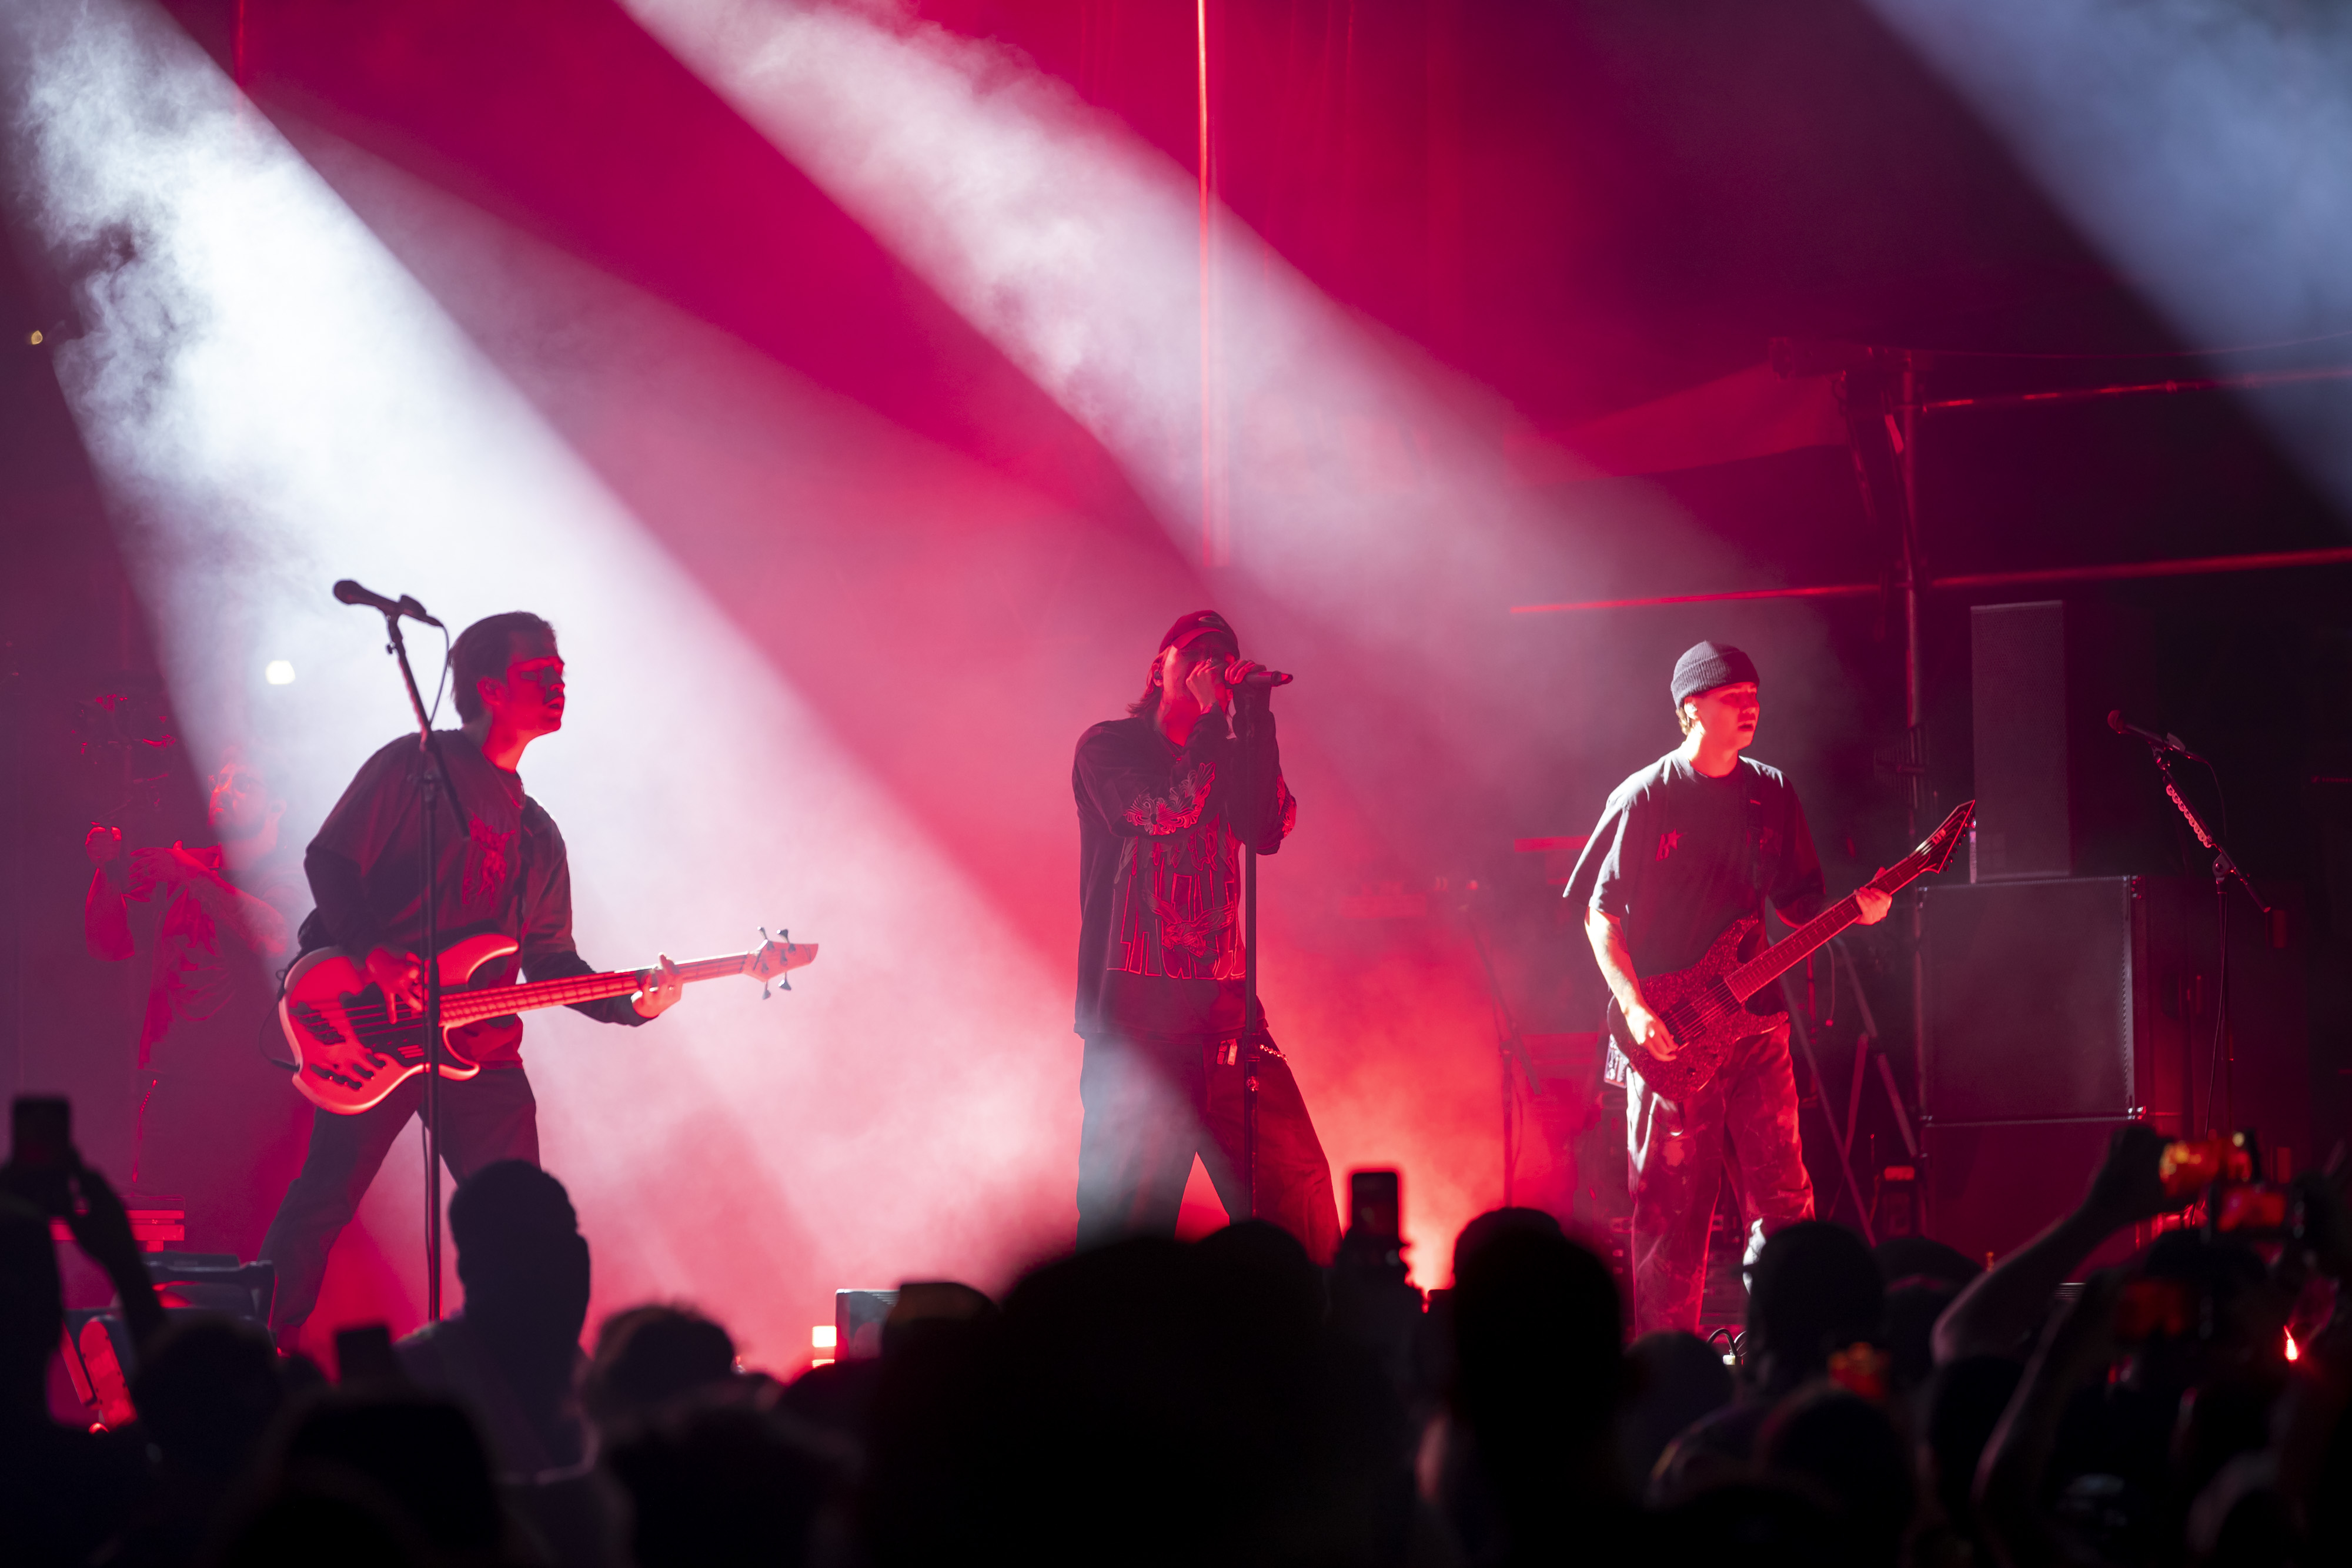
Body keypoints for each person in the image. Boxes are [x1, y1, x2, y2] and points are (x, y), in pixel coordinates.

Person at [258, 613, 686, 1340]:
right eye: (540, 674)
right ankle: (253, 1357)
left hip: (479, 1050)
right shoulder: (415, 766)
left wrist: (633, 1006)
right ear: (489, 687)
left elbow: (552, 962)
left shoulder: (539, 834)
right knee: (322, 1204)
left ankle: (525, 1374)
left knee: (525, 1224)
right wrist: (374, 952)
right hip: (373, 1029)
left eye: (561, 675)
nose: (559, 686)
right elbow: (327, 859)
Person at [1565, 641, 1890, 1335]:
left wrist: (1859, 907)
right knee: (1672, 1213)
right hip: (1673, 1031)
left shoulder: (1770, 792)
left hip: (1756, 1024)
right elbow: (1599, 912)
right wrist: (1634, 1004)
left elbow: (1801, 901)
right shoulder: (1646, 795)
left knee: (1785, 1204)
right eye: (1732, 698)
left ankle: (1791, 1344)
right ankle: (1669, 1367)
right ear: (1690, 710)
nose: (1751, 707)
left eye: (1755, 695)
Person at [1070, 610, 1338, 1261]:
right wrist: (1218, 723)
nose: (1208, 666)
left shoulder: (1228, 744)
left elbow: (1268, 828)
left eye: (1221, 657)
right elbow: (1162, 811)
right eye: (1194, 655)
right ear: (1156, 669)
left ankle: (1318, 1339)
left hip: (1230, 1025)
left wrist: (1256, 719)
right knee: (1126, 1236)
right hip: (1137, 1033)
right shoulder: (1108, 746)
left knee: (1295, 1196)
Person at [85, 757, 308, 1249]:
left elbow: (275, 934)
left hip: (257, 1092)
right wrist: (107, 870)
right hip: (175, 1087)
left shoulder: (290, 870)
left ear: (277, 805)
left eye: (243, 781)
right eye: (220, 780)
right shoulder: (184, 862)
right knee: (172, 1243)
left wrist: (190, 873)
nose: (224, 789)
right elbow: (105, 943)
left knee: (250, 1241)